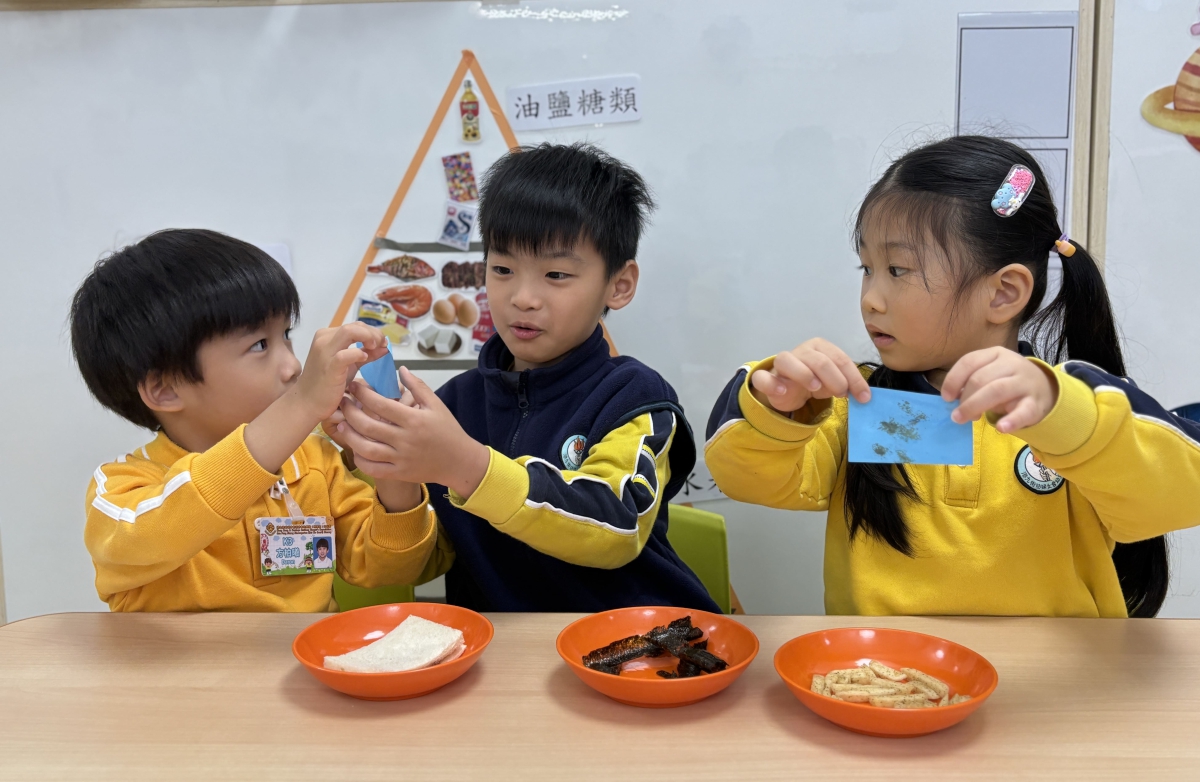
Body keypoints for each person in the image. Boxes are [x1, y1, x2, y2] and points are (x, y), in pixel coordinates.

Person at [704, 135, 1200, 618]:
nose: (870, 299)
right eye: (867, 268)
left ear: (1003, 293)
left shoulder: (1074, 410)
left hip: (1051, 674)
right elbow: (746, 477)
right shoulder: (859, 404)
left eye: (898, 270)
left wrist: (1064, 415)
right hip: (888, 671)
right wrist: (779, 409)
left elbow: (1177, 496)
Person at [328, 143, 718, 613]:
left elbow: (616, 527)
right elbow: (414, 565)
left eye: (556, 274)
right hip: (500, 650)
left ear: (619, 284)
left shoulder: (635, 396)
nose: (523, 297)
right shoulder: (453, 405)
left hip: (636, 639)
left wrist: (466, 465)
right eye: (503, 269)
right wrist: (391, 468)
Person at [71, 229, 437, 612]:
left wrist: (391, 462)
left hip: (304, 651)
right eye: (259, 345)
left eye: (286, 335)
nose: (293, 366)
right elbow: (153, 533)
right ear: (165, 390)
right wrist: (301, 404)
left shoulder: (314, 462)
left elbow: (392, 569)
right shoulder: (121, 491)